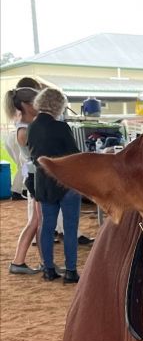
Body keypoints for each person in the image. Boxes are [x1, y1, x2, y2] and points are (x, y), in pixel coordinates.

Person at [27, 87, 83, 284]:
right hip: (65, 182)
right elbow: (74, 156)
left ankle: (48, 269)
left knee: (47, 226)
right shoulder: (61, 127)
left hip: (43, 181)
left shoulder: (31, 127)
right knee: (69, 227)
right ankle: (70, 271)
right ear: (58, 105)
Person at [4, 80, 43, 275]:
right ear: (27, 105)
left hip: (34, 175)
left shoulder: (27, 125)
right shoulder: (25, 130)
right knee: (37, 221)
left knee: (37, 220)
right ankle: (19, 261)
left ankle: (25, 261)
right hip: (35, 177)